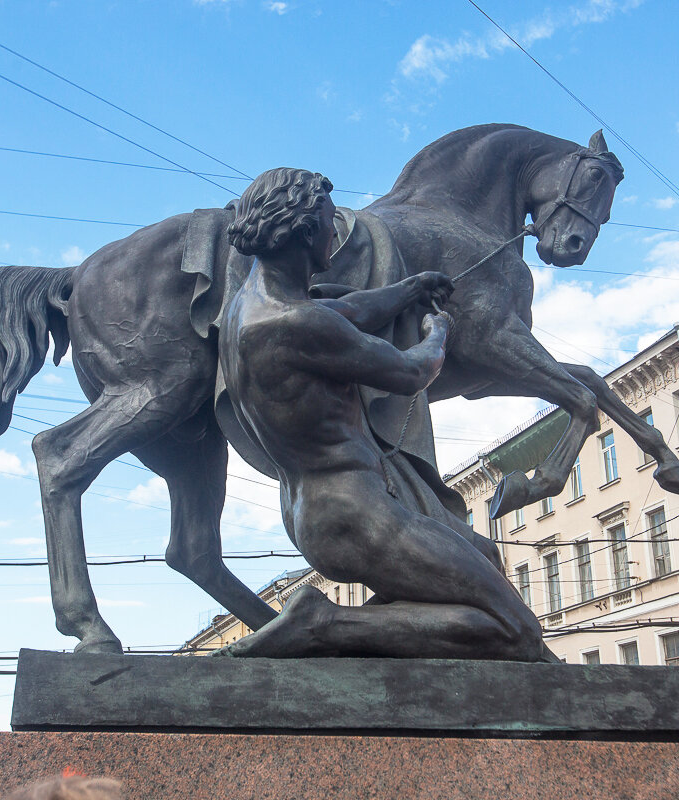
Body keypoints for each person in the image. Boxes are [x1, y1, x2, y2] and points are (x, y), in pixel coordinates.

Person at [216, 167, 554, 662]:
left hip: (318, 507)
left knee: (484, 555)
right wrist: (437, 328)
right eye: (331, 222)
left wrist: (410, 288)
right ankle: (324, 623)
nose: (336, 232)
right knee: (518, 631)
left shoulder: (249, 309)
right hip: (356, 512)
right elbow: (410, 371)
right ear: (306, 230)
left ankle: (362, 640)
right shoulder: (296, 323)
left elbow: (347, 312)